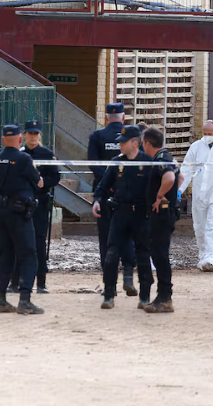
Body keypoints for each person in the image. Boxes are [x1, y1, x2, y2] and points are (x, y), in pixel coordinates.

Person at [93, 125, 155, 310]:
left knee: (143, 255)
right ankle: (109, 295)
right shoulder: (116, 162)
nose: (120, 144)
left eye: (124, 142)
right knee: (111, 254)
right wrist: (97, 200)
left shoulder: (148, 162)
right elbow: (103, 186)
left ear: (135, 143)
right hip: (120, 213)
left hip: (141, 215)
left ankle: (144, 297)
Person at [0, 125, 45, 316]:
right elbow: (38, 182)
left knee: (6, 255)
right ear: (20, 139)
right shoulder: (24, 159)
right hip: (19, 212)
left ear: (3, 139)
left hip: (0, 212)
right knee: (28, 254)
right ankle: (25, 300)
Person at [87, 102, 137, 296]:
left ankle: (108, 283)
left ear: (106, 117)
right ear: (123, 117)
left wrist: (107, 182)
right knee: (128, 235)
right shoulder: (131, 138)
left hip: (104, 192)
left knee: (106, 238)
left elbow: (93, 164)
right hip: (127, 193)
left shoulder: (97, 136)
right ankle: (128, 277)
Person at [7, 120, 61, 294]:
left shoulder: (47, 154)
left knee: (38, 243)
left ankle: (41, 283)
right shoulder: (19, 154)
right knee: (17, 242)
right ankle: (15, 282)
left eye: (35, 134)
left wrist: (44, 182)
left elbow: (56, 177)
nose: (33, 137)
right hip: (21, 204)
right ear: (25, 135)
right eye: (30, 133)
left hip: (40, 203)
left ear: (40, 135)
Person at [178, 120, 213, 272]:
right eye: (204, 133)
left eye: (210, 133)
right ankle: (203, 256)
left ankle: (212, 257)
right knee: (199, 226)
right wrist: (180, 188)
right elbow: (187, 168)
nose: (207, 136)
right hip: (199, 191)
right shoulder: (196, 147)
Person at [141, 127, 178, 313]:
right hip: (164, 212)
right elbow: (181, 176)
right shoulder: (164, 157)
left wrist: (159, 196)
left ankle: (165, 297)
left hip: (162, 214)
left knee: (160, 255)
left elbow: (170, 178)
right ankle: (163, 296)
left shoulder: (161, 160)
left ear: (147, 143)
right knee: (158, 254)